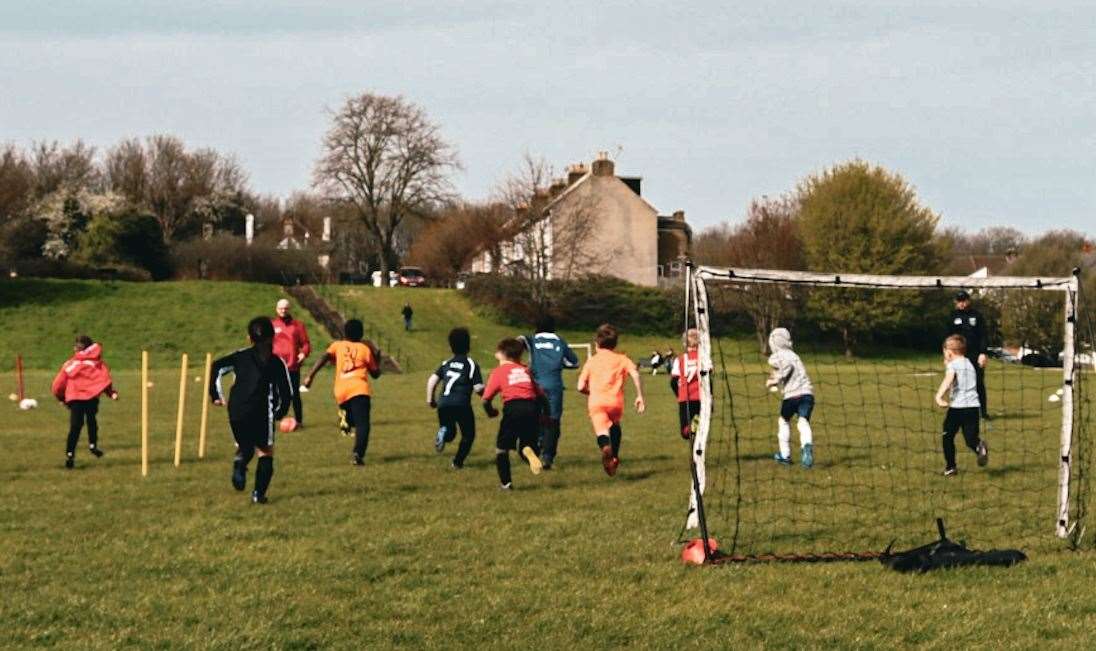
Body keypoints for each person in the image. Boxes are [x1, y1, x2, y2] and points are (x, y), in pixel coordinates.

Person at [209, 317, 293, 504]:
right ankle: (258, 494)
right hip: (261, 411)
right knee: (265, 451)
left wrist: (215, 394)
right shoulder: (275, 362)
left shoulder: (240, 356)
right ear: (273, 337)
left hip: (237, 409)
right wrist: (280, 411)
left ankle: (240, 462)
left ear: (249, 338)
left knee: (245, 445)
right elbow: (286, 391)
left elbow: (216, 366)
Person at [303, 319, 382, 466]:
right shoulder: (365, 349)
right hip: (359, 389)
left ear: (345, 332)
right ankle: (358, 454)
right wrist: (377, 358)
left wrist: (310, 376)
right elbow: (376, 374)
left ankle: (344, 417)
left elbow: (324, 357)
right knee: (362, 424)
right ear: (361, 333)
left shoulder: (337, 345)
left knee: (351, 420)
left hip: (341, 391)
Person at [577, 324, 646, 477]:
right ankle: (614, 457)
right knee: (615, 425)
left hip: (596, 402)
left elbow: (580, 386)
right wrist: (639, 395)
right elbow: (635, 374)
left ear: (596, 344)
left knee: (602, 431)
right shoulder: (622, 359)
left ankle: (606, 448)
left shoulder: (591, 361)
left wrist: (590, 392)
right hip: (615, 403)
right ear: (614, 344)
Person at [482, 337, 546, 489]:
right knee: (526, 444)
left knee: (501, 448)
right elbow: (542, 395)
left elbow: (486, 399)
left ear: (502, 354)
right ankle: (530, 454)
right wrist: (547, 414)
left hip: (513, 408)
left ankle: (506, 483)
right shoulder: (525, 370)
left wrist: (490, 412)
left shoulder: (499, 371)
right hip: (532, 407)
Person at [519, 315, 579, 469]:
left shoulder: (532, 339)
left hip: (535, 385)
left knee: (534, 418)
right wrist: (557, 364)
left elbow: (517, 341)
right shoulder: (559, 340)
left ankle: (535, 445)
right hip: (554, 385)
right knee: (553, 421)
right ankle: (548, 456)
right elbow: (574, 362)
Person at [51, 335, 118, 469]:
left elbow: (58, 385)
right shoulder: (97, 363)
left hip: (75, 398)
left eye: (77, 346)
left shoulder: (70, 363)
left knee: (76, 426)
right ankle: (92, 446)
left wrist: (61, 398)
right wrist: (111, 393)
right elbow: (104, 379)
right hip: (91, 397)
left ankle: (70, 455)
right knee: (91, 420)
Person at [427, 327, 485, 469]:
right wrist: (487, 395)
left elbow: (432, 380)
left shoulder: (446, 363)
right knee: (468, 435)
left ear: (450, 347)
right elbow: (478, 388)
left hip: (444, 403)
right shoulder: (471, 364)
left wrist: (430, 399)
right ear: (468, 346)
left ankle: (444, 431)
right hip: (461, 403)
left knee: (450, 433)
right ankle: (457, 462)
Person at [934, 334, 989, 476]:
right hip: (973, 406)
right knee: (970, 438)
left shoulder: (953, 365)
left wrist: (939, 396)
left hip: (957, 407)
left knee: (947, 436)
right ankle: (979, 447)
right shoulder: (969, 363)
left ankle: (951, 467)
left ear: (949, 352)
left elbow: (948, 380)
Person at [765, 327, 815, 469]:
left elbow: (786, 368)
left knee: (784, 421)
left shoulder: (778, 356)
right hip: (807, 394)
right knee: (803, 421)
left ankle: (785, 455)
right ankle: (806, 446)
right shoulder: (795, 355)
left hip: (792, 395)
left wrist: (774, 381)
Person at [948, 290, 990, 420]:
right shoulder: (952, 316)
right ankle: (956, 411)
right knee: (955, 382)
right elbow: (948, 336)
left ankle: (982, 412)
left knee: (978, 383)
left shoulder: (976, 316)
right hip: (957, 355)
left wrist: (983, 353)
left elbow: (983, 335)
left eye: (964, 300)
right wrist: (947, 354)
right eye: (959, 301)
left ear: (968, 300)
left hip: (974, 354)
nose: (962, 303)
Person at [272, 298, 311, 429]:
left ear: (289, 309)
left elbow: (306, 343)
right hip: (276, 365)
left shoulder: (298, 326)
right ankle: (273, 418)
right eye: (281, 308)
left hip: (292, 365)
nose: (283, 310)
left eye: (286, 308)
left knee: (294, 394)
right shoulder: (272, 325)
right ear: (277, 309)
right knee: (275, 393)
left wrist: (303, 353)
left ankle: (299, 421)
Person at [671, 329, 705, 440]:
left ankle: (691, 428)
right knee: (699, 432)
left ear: (684, 343)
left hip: (685, 397)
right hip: (701, 397)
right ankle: (696, 425)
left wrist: (679, 394)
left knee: (685, 432)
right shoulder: (704, 358)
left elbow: (673, 381)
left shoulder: (680, 359)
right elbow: (708, 379)